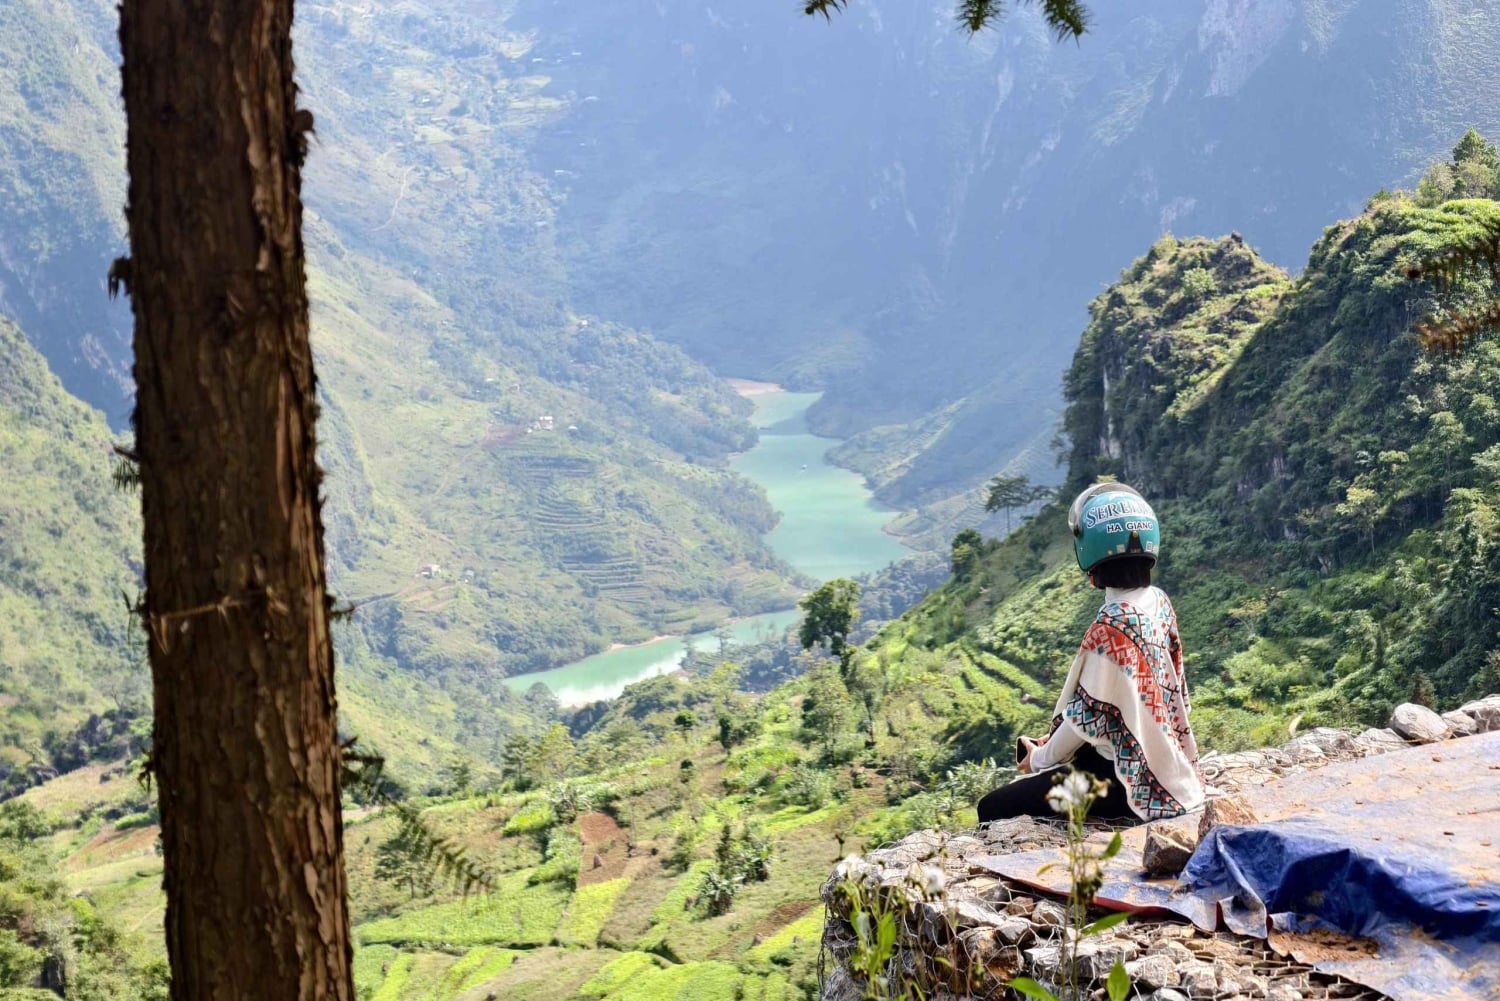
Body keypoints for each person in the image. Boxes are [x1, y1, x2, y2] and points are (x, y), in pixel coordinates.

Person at [977, 482, 1205, 823]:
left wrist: (1038, 759)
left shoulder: (1112, 626)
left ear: (1090, 553)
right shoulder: (1157, 601)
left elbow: (1083, 721)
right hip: (1171, 763)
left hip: (1124, 780)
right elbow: (1173, 693)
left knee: (992, 807)